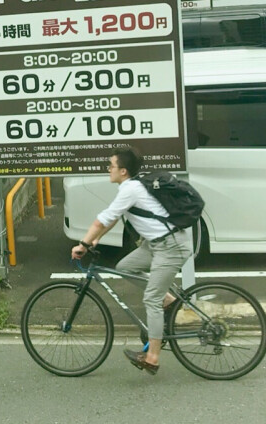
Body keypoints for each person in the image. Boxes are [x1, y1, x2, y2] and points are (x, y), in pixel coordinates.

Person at [71, 145, 193, 376]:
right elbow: (113, 219)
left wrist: (83, 244)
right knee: (125, 267)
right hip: (156, 244)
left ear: (123, 171)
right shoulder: (131, 188)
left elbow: (101, 220)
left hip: (170, 246)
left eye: (112, 165)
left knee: (151, 299)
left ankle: (153, 358)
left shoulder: (131, 189)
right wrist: (96, 240)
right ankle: (168, 300)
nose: (108, 169)